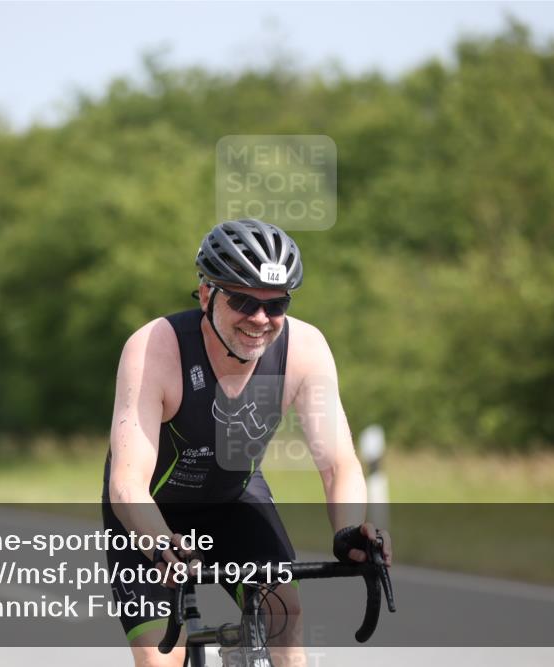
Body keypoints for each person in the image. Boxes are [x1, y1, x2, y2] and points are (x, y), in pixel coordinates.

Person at [103, 218, 392, 667]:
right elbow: (126, 482)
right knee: (162, 659)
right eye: (242, 300)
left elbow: (338, 463)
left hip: (233, 499)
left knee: (285, 620)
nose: (260, 319)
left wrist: (348, 531)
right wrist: (160, 543)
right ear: (205, 294)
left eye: (275, 305)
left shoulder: (304, 349)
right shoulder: (156, 348)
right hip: (150, 517)